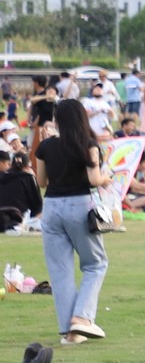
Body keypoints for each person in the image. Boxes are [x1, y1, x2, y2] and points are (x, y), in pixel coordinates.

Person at [33, 98, 110, 344]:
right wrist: (106, 179)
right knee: (95, 264)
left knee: (60, 271)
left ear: (58, 120)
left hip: (52, 207)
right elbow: (94, 178)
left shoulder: (46, 146)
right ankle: (82, 319)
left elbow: (42, 181)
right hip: (79, 205)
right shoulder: (88, 144)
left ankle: (70, 332)